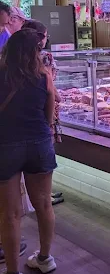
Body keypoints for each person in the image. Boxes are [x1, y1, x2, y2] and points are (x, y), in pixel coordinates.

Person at [0, 29, 58, 274]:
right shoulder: (44, 77)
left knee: (10, 214)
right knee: (45, 204)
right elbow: (49, 117)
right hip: (39, 144)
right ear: (34, 53)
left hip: (5, 146)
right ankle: (45, 259)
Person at [23, 20, 64, 206]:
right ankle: (43, 196)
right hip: (43, 111)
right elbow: (50, 85)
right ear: (40, 38)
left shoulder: (12, 56)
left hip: (23, 116)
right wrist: (57, 99)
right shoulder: (45, 57)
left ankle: (32, 197)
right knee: (44, 154)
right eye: (46, 36)